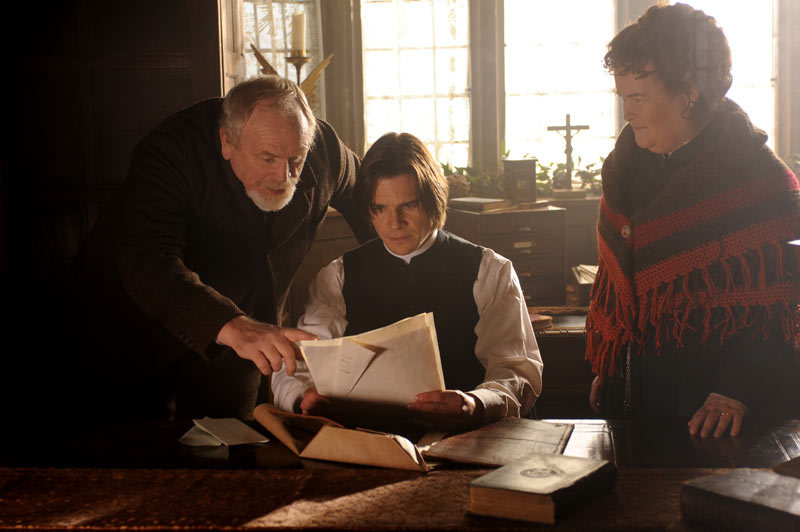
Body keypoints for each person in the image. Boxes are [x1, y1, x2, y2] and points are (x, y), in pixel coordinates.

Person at [73, 75, 371, 420]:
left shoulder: (326, 152)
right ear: (226, 142)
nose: (284, 177)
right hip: (134, 337)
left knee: (234, 453)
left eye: (296, 160)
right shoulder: (172, 150)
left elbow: (372, 199)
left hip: (243, 351)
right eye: (267, 158)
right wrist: (234, 326)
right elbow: (147, 259)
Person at [586, 3, 800, 438]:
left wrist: (736, 390)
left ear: (689, 92)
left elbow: (786, 312)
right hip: (632, 405)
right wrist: (615, 368)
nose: (627, 113)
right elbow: (624, 288)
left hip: (716, 421)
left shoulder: (763, 185)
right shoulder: (623, 171)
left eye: (638, 98)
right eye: (623, 98)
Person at [271, 132, 543, 429]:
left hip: (468, 439)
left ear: (433, 200)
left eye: (408, 206)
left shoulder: (490, 270)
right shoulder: (337, 276)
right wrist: (302, 397)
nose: (393, 223)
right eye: (379, 209)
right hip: (371, 442)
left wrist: (476, 404)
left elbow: (517, 371)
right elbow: (298, 363)